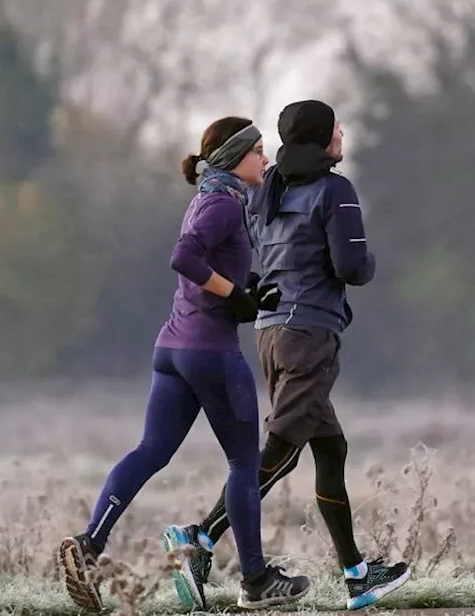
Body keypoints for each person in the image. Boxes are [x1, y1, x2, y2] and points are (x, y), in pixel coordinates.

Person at [162, 100, 411, 612]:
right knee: (282, 449)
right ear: (322, 139)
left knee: (330, 450)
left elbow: (256, 252)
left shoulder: (268, 185)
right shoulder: (336, 190)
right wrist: (368, 262)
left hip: (271, 331)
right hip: (311, 334)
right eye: (335, 126)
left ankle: (358, 576)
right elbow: (350, 265)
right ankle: (201, 539)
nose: (342, 132)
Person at [58, 116, 312, 612]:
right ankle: (257, 581)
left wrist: (247, 292)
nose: (266, 158)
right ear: (237, 158)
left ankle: (89, 545)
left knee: (151, 449)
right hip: (210, 352)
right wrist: (233, 295)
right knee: (244, 462)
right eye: (259, 150)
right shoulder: (221, 203)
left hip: (173, 348)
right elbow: (185, 257)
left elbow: (209, 268)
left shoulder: (212, 197)